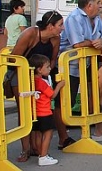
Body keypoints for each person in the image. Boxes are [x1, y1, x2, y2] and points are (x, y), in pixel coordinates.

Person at [8, 10, 69, 158]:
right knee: (25, 112)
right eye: (60, 25)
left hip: (40, 78)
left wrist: (45, 78)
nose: (62, 28)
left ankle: (36, 147)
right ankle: (25, 149)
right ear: (50, 26)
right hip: (21, 74)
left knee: (40, 111)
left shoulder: (55, 39)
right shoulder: (30, 34)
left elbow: (53, 60)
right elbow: (13, 59)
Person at [59, 0, 102, 142]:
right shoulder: (74, 18)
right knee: (66, 102)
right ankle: (63, 138)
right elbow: (77, 44)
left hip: (88, 61)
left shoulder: (97, 18)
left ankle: (97, 125)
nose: (100, 5)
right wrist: (93, 43)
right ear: (89, 5)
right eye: (97, 2)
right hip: (70, 65)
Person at [30, 54, 64, 166]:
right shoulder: (42, 82)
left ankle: (41, 154)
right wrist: (59, 86)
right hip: (45, 112)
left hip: (35, 112)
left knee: (38, 134)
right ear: (39, 70)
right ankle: (43, 156)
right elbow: (52, 95)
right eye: (48, 67)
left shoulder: (32, 81)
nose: (50, 69)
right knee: (48, 134)